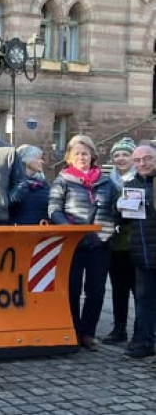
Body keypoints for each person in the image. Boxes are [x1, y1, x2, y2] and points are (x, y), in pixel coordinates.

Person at [48, 134, 116, 352]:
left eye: (85, 153)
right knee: (72, 289)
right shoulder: (62, 180)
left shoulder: (106, 182)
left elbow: (116, 208)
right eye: (77, 153)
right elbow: (54, 210)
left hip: (100, 243)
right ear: (69, 157)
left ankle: (88, 333)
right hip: (73, 244)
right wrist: (69, 229)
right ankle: (72, 331)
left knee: (96, 291)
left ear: (92, 156)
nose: (82, 157)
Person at [121, 143, 156, 359]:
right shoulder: (131, 185)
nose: (142, 163)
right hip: (142, 254)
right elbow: (123, 219)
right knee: (143, 301)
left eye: (147, 158)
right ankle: (143, 342)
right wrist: (119, 207)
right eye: (138, 160)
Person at [105, 137, 137, 345]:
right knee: (118, 289)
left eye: (125, 154)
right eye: (117, 155)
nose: (121, 158)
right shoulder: (109, 181)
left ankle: (141, 332)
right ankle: (119, 329)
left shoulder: (139, 180)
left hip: (135, 243)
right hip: (114, 243)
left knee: (139, 291)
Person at [10, 145, 50, 225]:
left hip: (41, 232)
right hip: (20, 232)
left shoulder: (44, 184)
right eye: (38, 158)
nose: (42, 162)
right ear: (26, 160)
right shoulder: (13, 183)